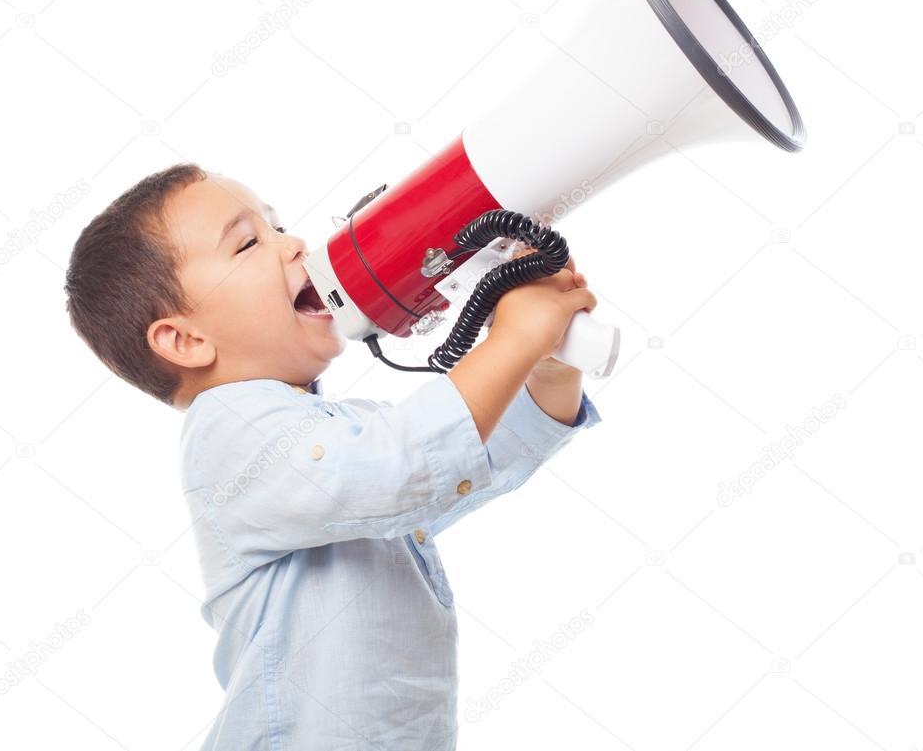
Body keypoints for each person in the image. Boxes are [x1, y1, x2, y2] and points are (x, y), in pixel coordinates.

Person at [64, 162, 604, 749]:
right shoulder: (230, 429)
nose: (293, 244)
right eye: (247, 243)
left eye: (278, 227)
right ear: (187, 340)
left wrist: (546, 365)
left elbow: (469, 461)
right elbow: (407, 467)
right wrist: (513, 339)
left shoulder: (337, 429)